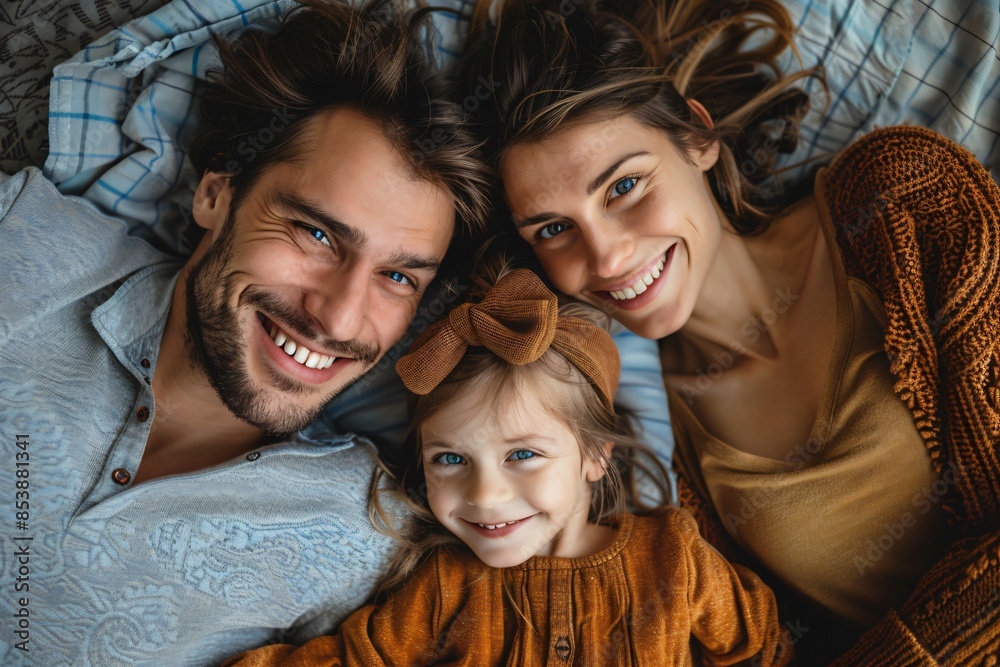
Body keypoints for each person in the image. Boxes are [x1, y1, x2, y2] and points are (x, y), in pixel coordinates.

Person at [461, 0, 1000, 663]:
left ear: (697, 137)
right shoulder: (648, 458)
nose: (605, 258)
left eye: (625, 185)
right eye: (552, 229)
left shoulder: (902, 203)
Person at [0, 0, 493, 664]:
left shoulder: (368, 545)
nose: (340, 317)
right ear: (216, 194)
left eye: (398, 277)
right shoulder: (23, 241)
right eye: (316, 233)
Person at [223, 267, 792, 667]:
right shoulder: (446, 589)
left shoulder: (675, 559)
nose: (486, 494)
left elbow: (765, 646)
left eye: (523, 454)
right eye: (449, 459)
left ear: (595, 455)